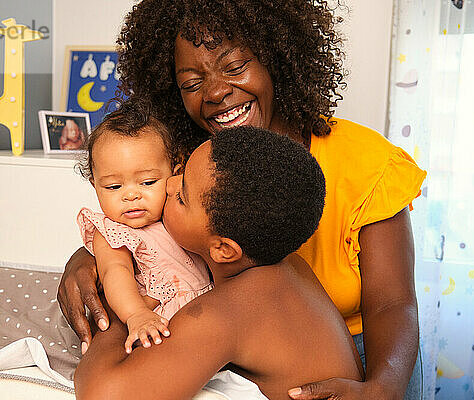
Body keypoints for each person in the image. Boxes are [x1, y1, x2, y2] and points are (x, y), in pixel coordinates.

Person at [58, 1, 427, 399]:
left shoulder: (363, 163)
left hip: (373, 363)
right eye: (191, 82)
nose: (216, 91)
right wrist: (100, 254)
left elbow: (393, 304)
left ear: (277, 57)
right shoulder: (204, 160)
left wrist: (121, 313)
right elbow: (141, 222)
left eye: (234, 66)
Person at [74, 126, 363, 400]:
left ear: (223, 249)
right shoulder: (292, 267)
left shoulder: (224, 313)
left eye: (182, 196)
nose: (170, 184)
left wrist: (120, 308)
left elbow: (102, 394)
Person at [75, 99, 213, 354]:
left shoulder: (177, 213)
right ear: (95, 185)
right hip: (158, 325)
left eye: (147, 182)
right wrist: (137, 314)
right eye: (114, 187)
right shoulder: (112, 233)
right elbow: (114, 273)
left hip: (208, 314)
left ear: (174, 172)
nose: (131, 195)